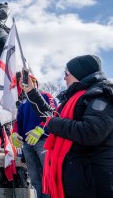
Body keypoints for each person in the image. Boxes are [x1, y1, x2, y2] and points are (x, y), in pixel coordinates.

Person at [22, 55, 113, 198]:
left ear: (79, 72)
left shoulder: (100, 95)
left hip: (93, 183)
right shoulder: (76, 97)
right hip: (79, 179)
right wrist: (32, 93)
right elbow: (52, 115)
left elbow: (91, 131)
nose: (64, 78)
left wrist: (52, 123)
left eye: (66, 73)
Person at [12, 74, 56, 198]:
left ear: (34, 82)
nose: (24, 85)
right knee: (35, 179)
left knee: (49, 177)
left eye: (27, 81)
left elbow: (53, 114)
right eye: (21, 83)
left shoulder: (46, 96)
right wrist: (15, 134)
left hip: (44, 141)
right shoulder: (22, 104)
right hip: (27, 144)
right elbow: (18, 122)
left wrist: (41, 129)